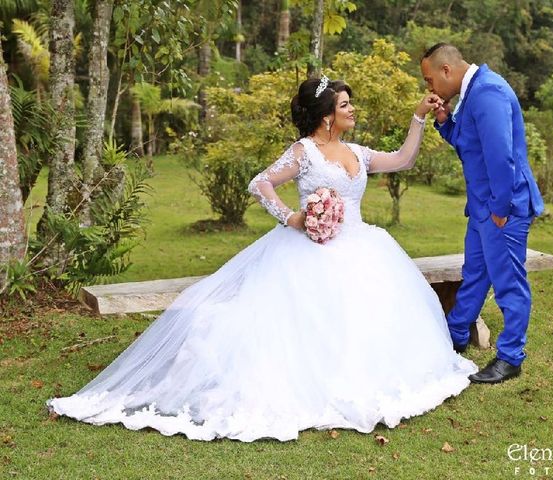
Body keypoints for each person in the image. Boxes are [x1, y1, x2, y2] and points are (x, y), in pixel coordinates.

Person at [46, 76, 476, 442]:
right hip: (307, 253)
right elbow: (260, 183)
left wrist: (418, 117)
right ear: (327, 114)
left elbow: (402, 159)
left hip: (361, 246)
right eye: (346, 105)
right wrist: (293, 217)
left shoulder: (358, 153)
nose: (353, 110)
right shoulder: (304, 152)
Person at [420, 43, 545, 384]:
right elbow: (471, 146)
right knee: (474, 272)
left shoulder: (488, 92)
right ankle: (456, 334)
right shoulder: (471, 92)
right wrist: (445, 122)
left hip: (501, 208)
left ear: (446, 70)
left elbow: (501, 158)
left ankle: (510, 357)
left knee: (508, 283)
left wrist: (501, 210)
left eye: (430, 80)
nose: (430, 88)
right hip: (482, 207)